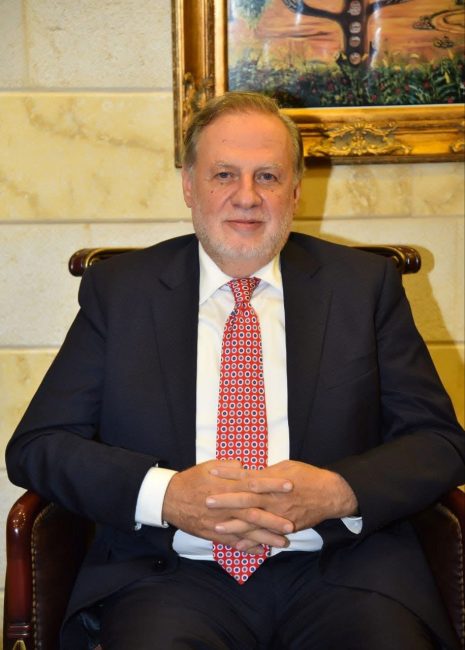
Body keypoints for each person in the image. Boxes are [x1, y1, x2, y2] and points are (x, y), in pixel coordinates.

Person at [6, 91, 464, 650]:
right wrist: (166, 495)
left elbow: (439, 442)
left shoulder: (363, 287)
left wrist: (338, 492)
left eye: (268, 176)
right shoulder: (121, 292)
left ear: (295, 190)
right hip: (170, 577)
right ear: (189, 185)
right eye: (224, 174)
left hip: (342, 571)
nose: (246, 197)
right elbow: (38, 446)